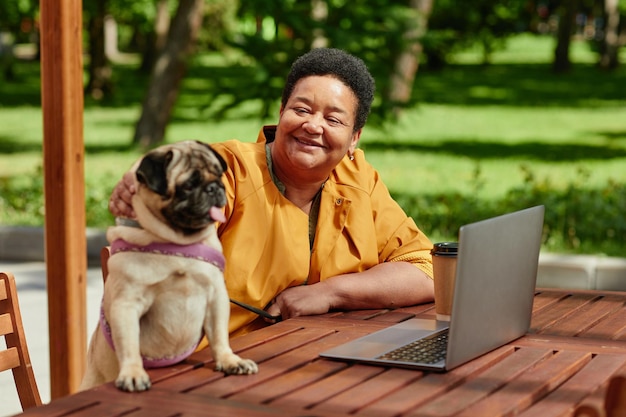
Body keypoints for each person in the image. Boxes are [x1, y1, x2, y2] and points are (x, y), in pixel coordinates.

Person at [109, 48, 434, 337]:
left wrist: (331, 293)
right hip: (203, 364)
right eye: (302, 109)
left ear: (354, 139)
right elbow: (179, 171)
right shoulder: (232, 169)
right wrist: (140, 174)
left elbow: (426, 270)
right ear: (281, 113)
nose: (313, 125)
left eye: (333, 119)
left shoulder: (359, 180)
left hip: (317, 356)